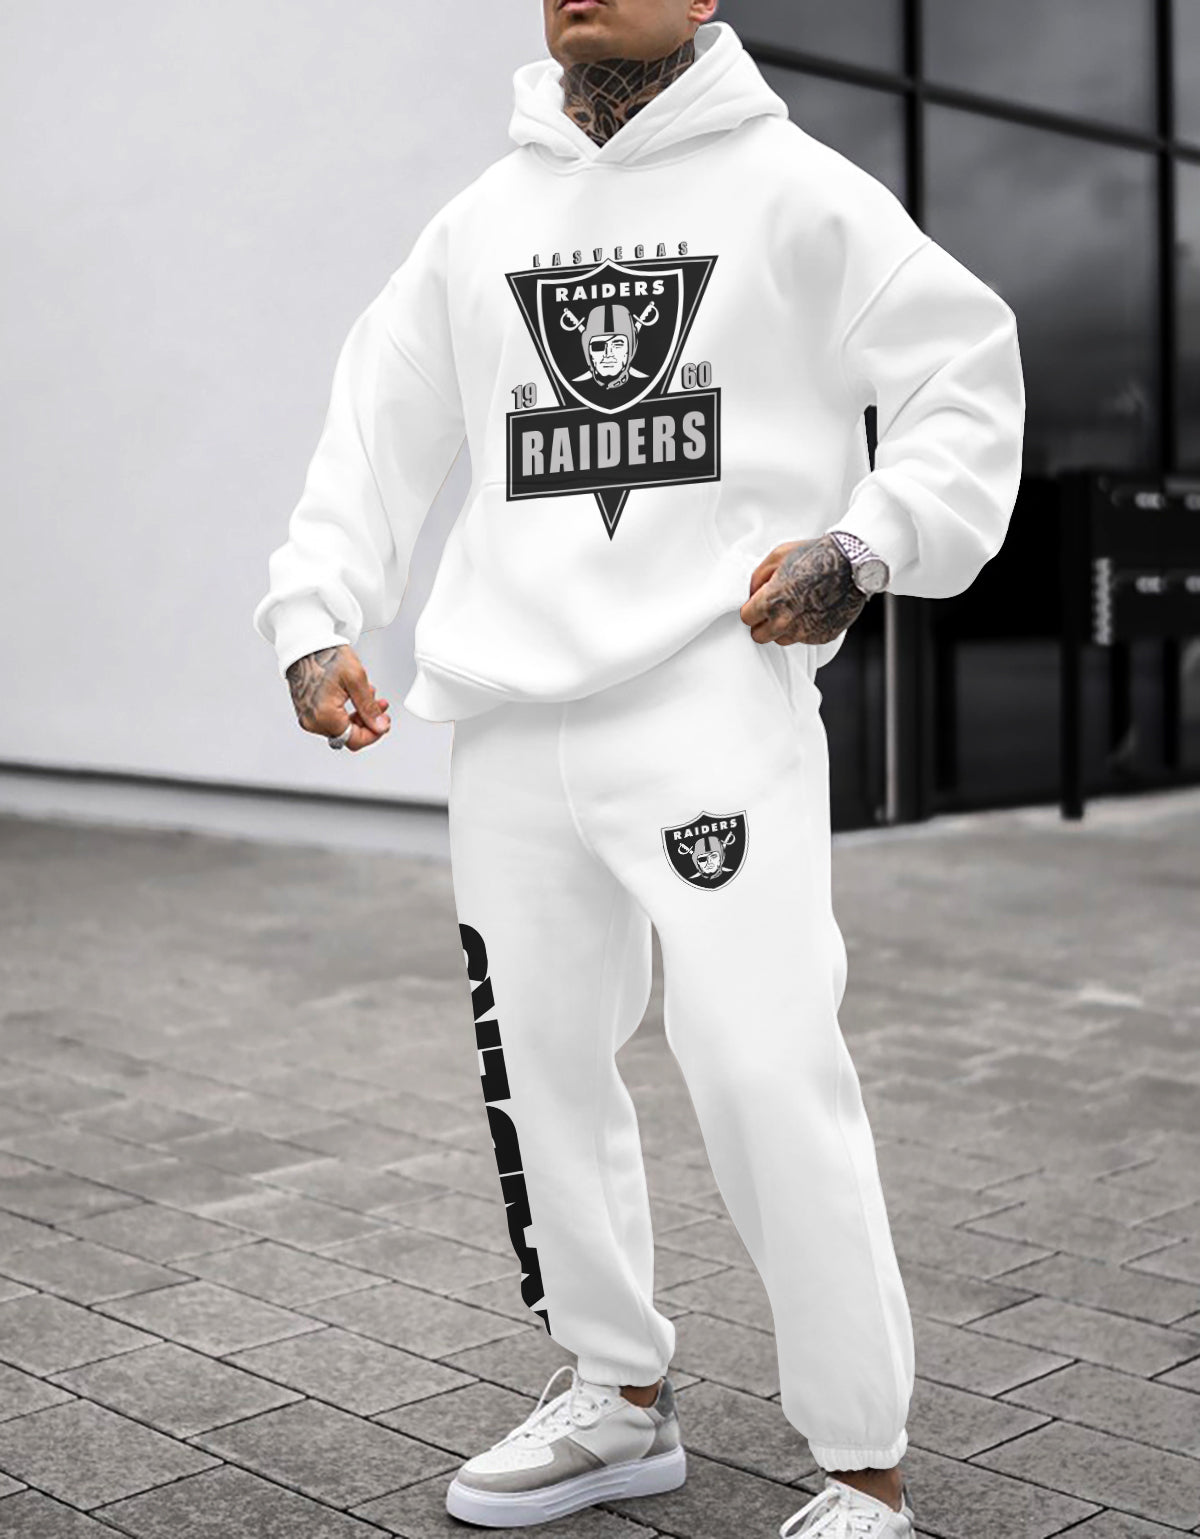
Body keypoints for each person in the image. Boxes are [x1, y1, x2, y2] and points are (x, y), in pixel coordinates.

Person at [252, 1, 1025, 1533]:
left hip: (708, 696)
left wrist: (869, 544)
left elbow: (967, 372)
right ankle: (616, 1392)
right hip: (508, 717)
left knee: (761, 1063)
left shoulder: (796, 192)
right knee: (538, 1067)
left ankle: (862, 1466)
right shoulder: (484, 219)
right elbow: (376, 424)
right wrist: (316, 614)